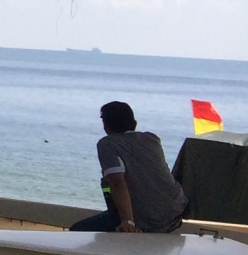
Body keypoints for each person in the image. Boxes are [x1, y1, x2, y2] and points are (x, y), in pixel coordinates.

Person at [69, 100, 186, 233]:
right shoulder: (151, 139)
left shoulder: (108, 144)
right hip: (175, 212)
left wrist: (127, 222)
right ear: (134, 123)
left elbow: (117, 181)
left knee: (77, 230)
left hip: (148, 218)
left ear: (106, 126)